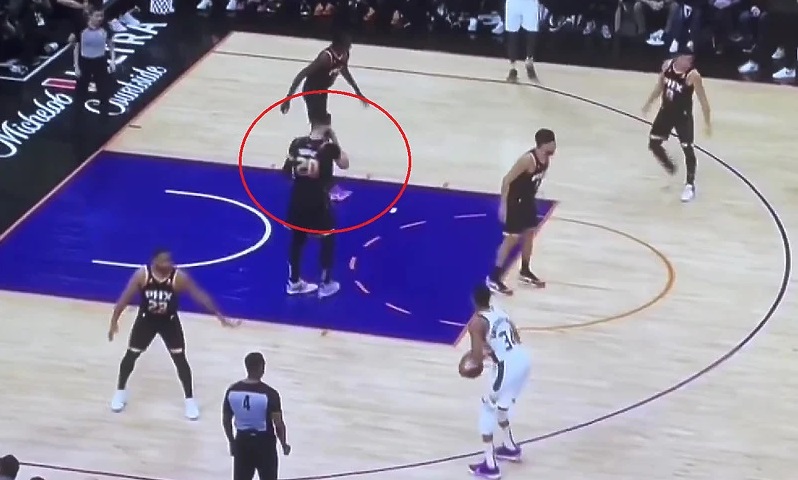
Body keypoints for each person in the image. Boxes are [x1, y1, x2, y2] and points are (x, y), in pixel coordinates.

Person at [107, 249, 239, 420]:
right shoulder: (142, 275)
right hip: (146, 321)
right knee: (131, 355)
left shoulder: (179, 277)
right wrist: (114, 322)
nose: (168, 263)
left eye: (169, 260)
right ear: (154, 262)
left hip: (168, 322)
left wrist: (220, 316)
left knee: (180, 360)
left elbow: (200, 296)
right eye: (164, 261)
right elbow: (124, 298)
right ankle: (120, 391)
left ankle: (190, 400)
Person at [280, 31, 366, 201]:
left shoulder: (344, 54)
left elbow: (344, 71)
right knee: (322, 131)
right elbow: (302, 74)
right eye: (348, 40)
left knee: (322, 131)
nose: (351, 43)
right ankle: (325, 182)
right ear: (339, 43)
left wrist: (357, 91)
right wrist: (288, 98)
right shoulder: (325, 57)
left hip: (322, 92)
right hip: (312, 92)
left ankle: (316, 171)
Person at [464, 285, 531, 480]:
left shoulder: (476, 323)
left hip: (505, 367)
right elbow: (516, 338)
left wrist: (470, 364)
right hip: (522, 360)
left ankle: (490, 466)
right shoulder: (501, 312)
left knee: (487, 409)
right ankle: (510, 448)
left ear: (474, 300)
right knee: (502, 405)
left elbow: (477, 358)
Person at [282, 118, 350, 298]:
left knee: (297, 239)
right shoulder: (328, 148)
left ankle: (294, 282)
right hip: (318, 202)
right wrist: (335, 139)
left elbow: (286, 171)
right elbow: (344, 164)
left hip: (297, 200)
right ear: (327, 127)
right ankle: (326, 284)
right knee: (327, 238)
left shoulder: (296, 143)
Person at [485, 128, 555, 296]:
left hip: (527, 200)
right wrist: (503, 205)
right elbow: (507, 180)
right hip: (515, 202)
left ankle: (524, 270)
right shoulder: (527, 160)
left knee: (530, 233)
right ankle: (493, 277)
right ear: (544, 144)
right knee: (511, 239)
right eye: (552, 143)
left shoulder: (546, 159)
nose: (555, 146)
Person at [642, 48, 712, 203]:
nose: (689, 62)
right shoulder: (667, 66)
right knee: (653, 143)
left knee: (688, 149)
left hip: (683, 117)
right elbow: (659, 87)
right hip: (666, 112)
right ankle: (671, 167)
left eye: (691, 60)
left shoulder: (693, 75)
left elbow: (703, 100)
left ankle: (690, 185)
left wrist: (707, 123)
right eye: (687, 59)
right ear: (678, 58)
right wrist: (649, 103)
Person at [223, 352, 291, 480]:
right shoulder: (270, 394)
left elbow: (226, 420)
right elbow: (278, 424)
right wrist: (284, 444)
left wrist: (232, 441)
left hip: (242, 442)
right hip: (264, 444)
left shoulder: (232, 391)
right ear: (262, 367)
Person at [68, 6, 115, 118]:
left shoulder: (105, 28)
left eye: (102, 16)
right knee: (81, 91)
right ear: (90, 16)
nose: (100, 18)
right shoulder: (81, 29)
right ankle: (77, 115)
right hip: (85, 62)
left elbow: (111, 45)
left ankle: (104, 116)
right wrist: (76, 66)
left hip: (100, 62)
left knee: (103, 90)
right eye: (97, 16)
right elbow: (76, 48)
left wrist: (113, 61)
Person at [503, 0, 539, 83]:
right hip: (513, 3)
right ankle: (513, 68)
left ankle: (529, 62)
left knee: (532, 32)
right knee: (512, 34)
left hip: (530, 3)